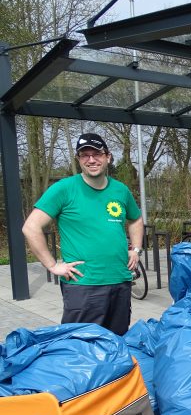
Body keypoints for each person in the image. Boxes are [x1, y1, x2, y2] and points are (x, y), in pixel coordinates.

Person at [22, 132, 144, 335]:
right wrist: (52, 265)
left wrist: (136, 249)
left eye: (96, 154)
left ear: (108, 157)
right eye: (85, 155)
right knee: (80, 347)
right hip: (84, 286)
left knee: (116, 343)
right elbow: (30, 227)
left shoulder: (121, 190)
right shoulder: (64, 189)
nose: (91, 160)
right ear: (79, 160)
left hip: (120, 281)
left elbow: (136, 219)